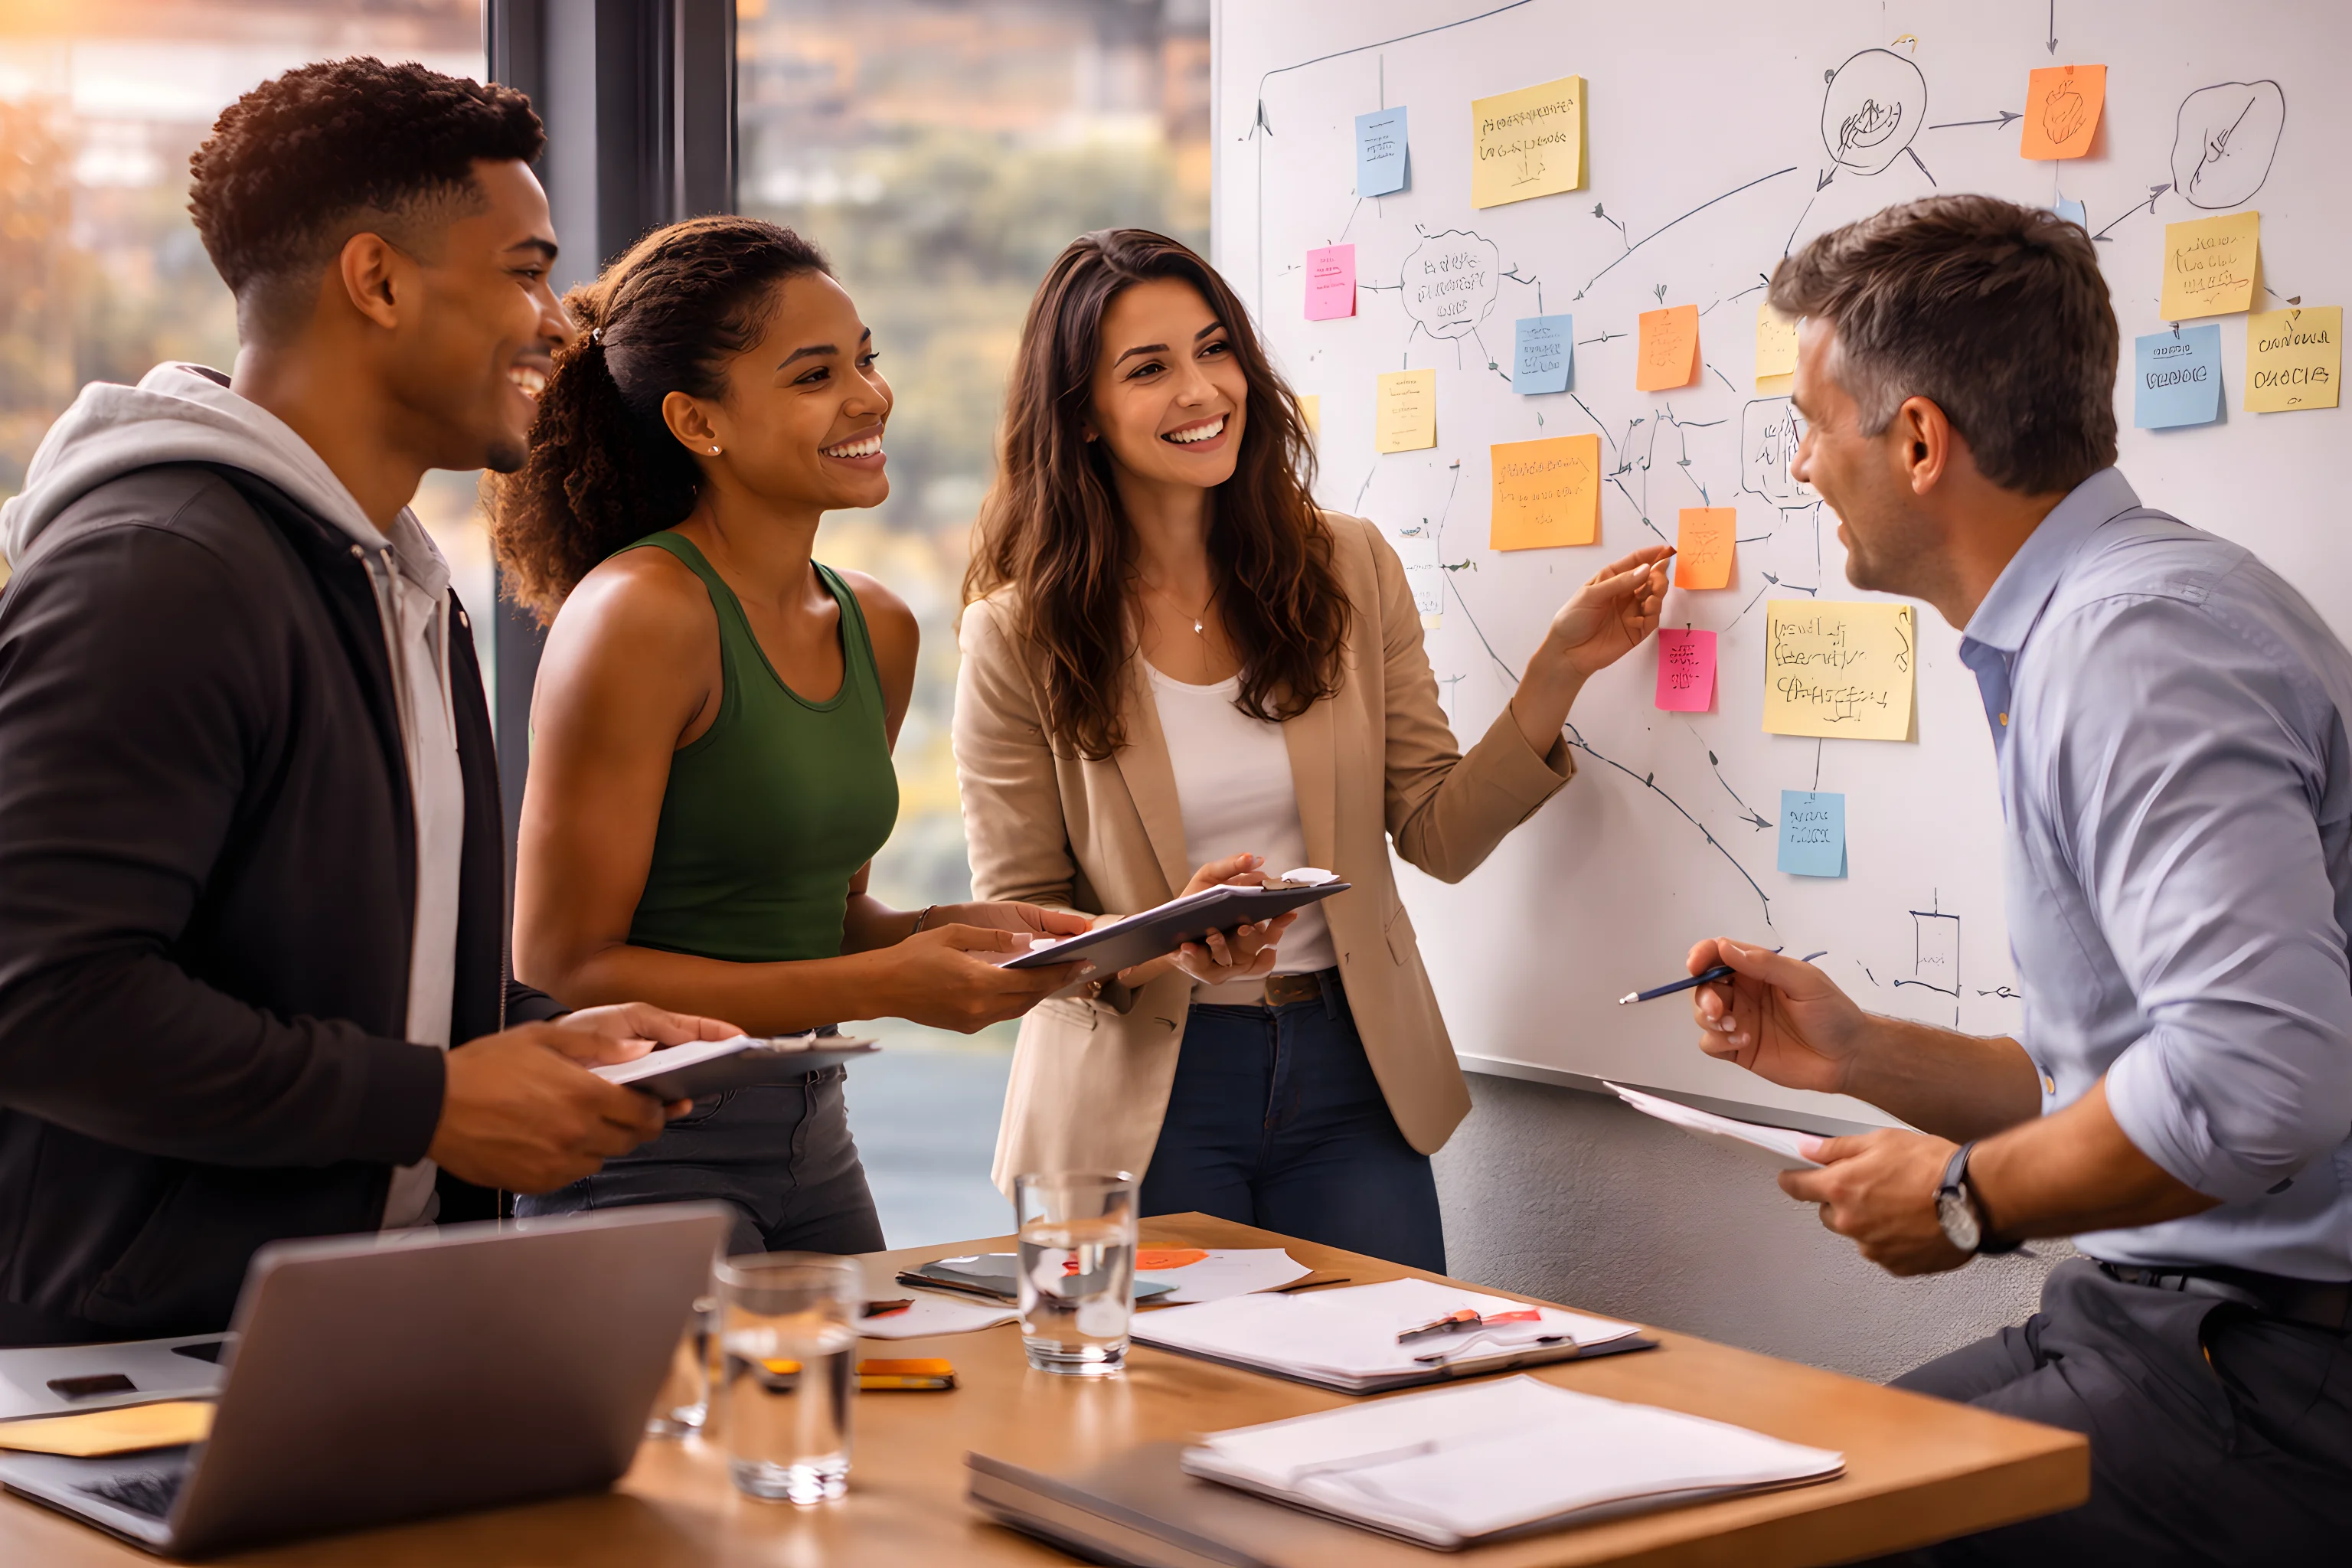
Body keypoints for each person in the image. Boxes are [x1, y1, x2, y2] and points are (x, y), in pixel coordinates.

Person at [0, 60, 734, 1347]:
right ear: (378, 281)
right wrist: (426, 1104)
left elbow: (334, 973)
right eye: (523, 270)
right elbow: (40, 997)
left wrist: (531, 1043)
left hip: (359, 1324)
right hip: (139, 1366)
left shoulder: (397, 581)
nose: (559, 322)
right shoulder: (161, 570)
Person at [1685, 195, 2352, 1562]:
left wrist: (1964, 1198)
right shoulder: (2097, 624)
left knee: (1768, 1537)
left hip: (2271, 1373)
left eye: (1814, 423)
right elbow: (2128, 1079)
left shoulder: (2135, 647)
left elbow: (2256, 1083)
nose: (1804, 466)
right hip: (2160, 1315)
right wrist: (1860, 1051)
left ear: (1920, 440)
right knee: (1759, 1501)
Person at [956, 228, 1670, 1272]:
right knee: (1170, 1421)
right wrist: (1169, 934)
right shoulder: (1020, 632)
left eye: (1214, 350)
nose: (1202, 391)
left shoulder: (1344, 565)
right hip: (1141, 1097)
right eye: (1149, 369)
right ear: (1083, 417)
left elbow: (1437, 832)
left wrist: (1556, 673)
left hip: (1351, 1069)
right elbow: (1023, 924)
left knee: (1392, 1400)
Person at [490, 217, 1089, 1259]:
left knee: (867, 1424)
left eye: (866, 358)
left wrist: (986, 933)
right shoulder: (640, 613)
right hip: (641, 1150)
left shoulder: (878, 626)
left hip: (814, 1137)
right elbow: (562, 956)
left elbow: (829, 920)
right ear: (697, 422)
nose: (868, 396)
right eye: (815, 375)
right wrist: (885, 988)